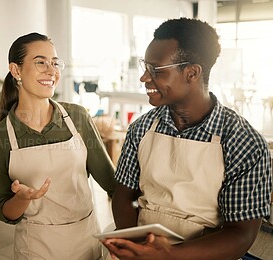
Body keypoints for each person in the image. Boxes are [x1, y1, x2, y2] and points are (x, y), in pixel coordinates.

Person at [103, 18, 272, 260]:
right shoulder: (141, 129)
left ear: (192, 73)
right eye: (145, 66)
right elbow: (123, 196)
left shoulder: (243, 141)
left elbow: (241, 234)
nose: (144, 78)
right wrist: (135, 244)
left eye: (156, 70)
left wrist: (168, 255)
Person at [0, 32, 116, 260]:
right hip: (36, 248)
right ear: (16, 71)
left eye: (54, 63)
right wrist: (23, 198)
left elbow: (111, 182)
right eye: (40, 62)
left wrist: (125, 236)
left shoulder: (78, 117)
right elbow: (3, 211)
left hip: (87, 242)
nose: (51, 71)